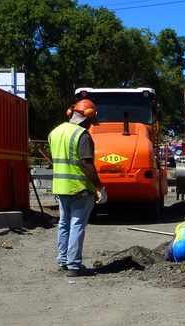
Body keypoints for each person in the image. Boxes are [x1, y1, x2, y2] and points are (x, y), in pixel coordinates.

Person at [49, 99, 106, 277]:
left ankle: (63, 260)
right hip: (79, 188)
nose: (91, 125)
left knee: (64, 224)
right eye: (91, 121)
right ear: (87, 117)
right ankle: (74, 265)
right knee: (77, 225)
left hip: (60, 187)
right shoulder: (82, 134)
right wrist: (99, 187)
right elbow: (86, 163)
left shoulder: (55, 132)